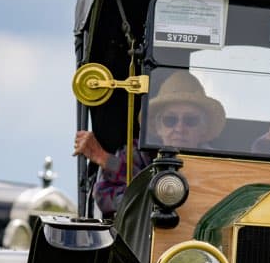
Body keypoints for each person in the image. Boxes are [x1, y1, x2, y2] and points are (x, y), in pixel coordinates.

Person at [73, 70, 226, 217]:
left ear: (204, 129)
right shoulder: (138, 152)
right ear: (158, 127)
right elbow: (103, 196)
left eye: (190, 121)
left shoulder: (218, 164)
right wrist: (106, 160)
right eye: (170, 120)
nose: (179, 128)